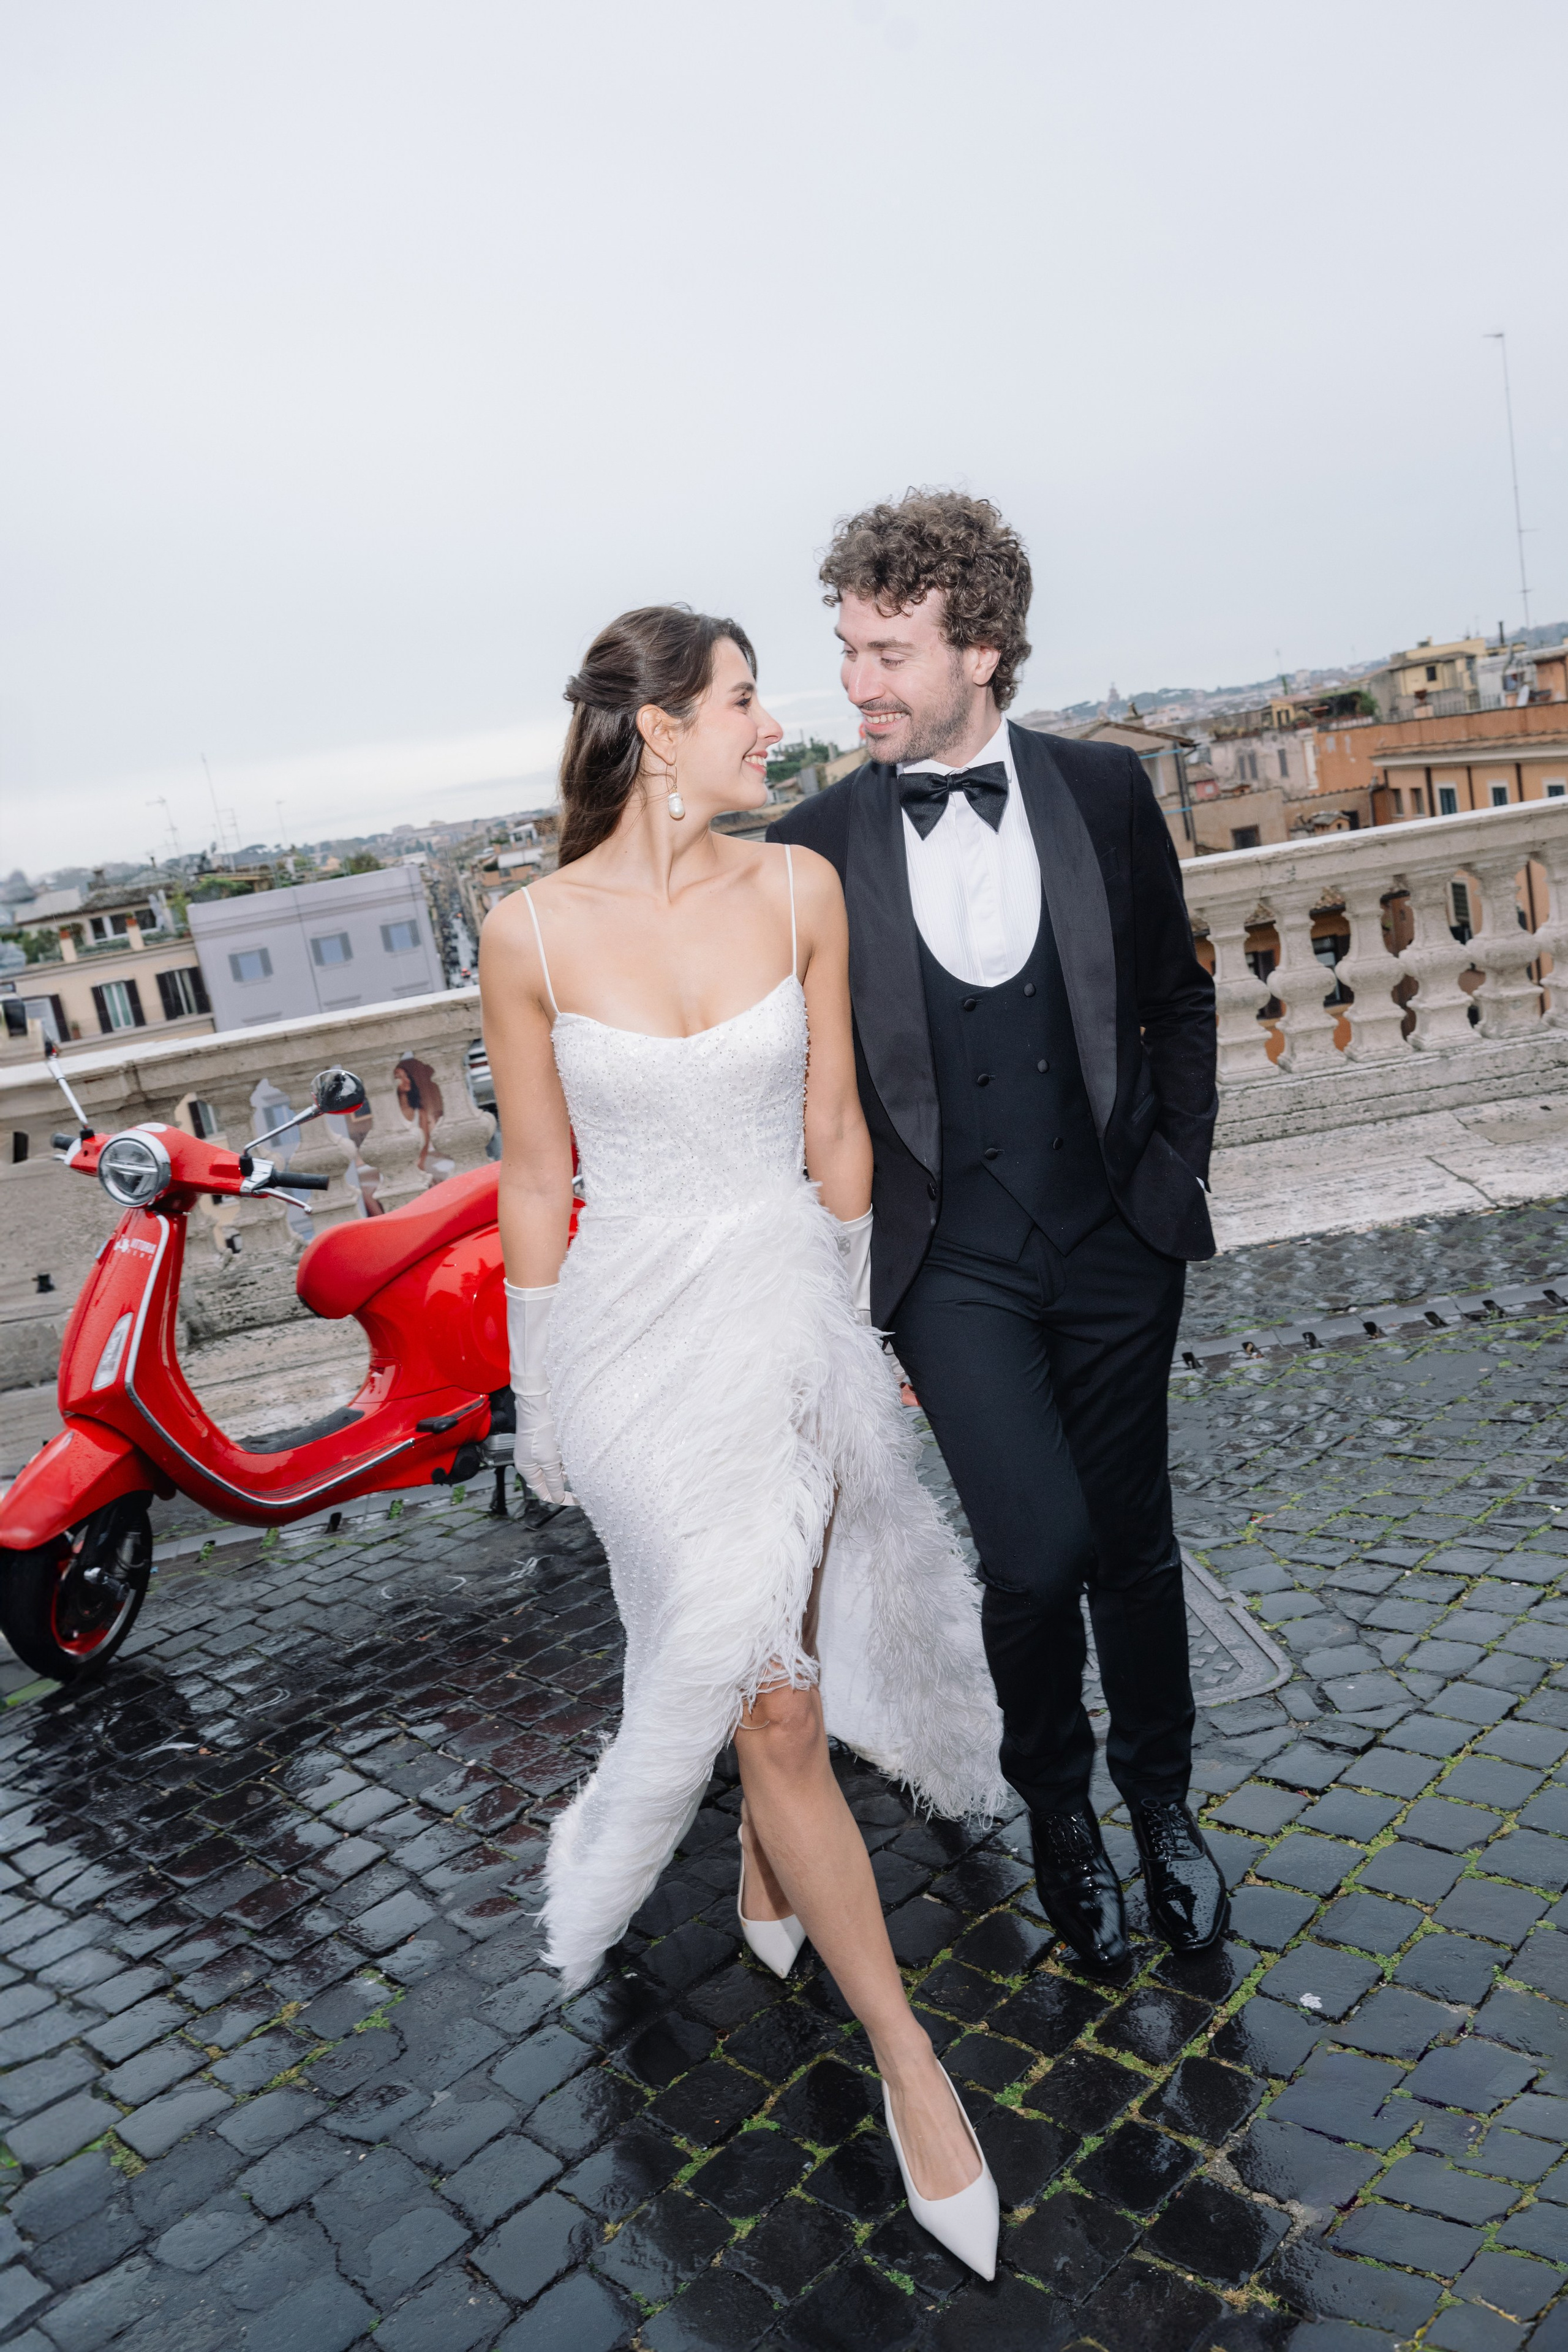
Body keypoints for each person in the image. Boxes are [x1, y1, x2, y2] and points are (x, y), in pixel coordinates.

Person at [479, 605, 1005, 2277]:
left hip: (785, 1311)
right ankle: (911, 2068)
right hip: (629, 1349)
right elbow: (534, 1181)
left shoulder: (800, 890)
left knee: (774, 1686)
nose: (771, 723)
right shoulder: (531, 936)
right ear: (658, 732)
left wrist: (849, 1344)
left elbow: (836, 1128)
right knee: (756, 1681)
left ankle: (790, 1897)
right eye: (740, 700)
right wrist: (544, 1397)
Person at [769, 491, 1227, 1970]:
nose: (857, 684)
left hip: (1113, 1241)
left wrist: (1168, 1182)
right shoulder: (811, 845)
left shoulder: (1100, 792)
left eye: (887, 650)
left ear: (979, 646)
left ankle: (1161, 1807)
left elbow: (1175, 999)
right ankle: (1057, 1810)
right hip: (946, 1262)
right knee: (1033, 1557)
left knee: (1134, 1546)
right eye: (845, 650)